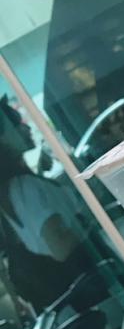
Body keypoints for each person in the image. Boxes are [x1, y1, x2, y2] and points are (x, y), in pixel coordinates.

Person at [0, 109, 94, 312]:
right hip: (91, 283)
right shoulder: (25, 188)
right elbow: (60, 248)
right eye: (16, 124)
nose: (26, 128)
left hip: (74, 301)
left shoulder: (11, 191)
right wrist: (90, 217)